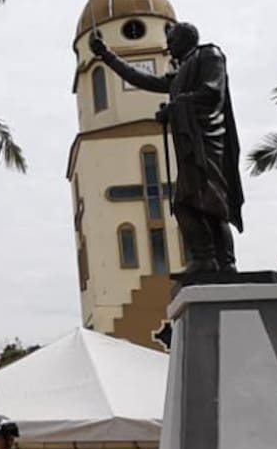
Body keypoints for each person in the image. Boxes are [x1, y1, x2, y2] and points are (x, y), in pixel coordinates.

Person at [90, 23, 244, 273]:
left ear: (184, 39)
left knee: (211, 201)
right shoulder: (181, 72)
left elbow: (212, 93)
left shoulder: (209, 55)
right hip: (189, 144)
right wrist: (106, 55)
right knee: (187, 202)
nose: (167, 47)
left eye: (171, 41)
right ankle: (206, 258)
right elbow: (142, 79)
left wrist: (174, 107)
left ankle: (225, 262)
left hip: (208, 141)